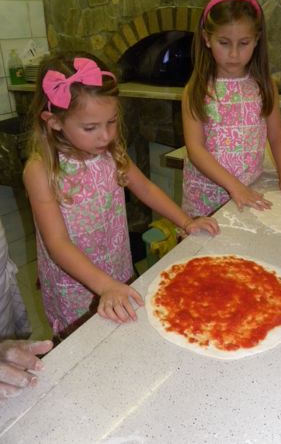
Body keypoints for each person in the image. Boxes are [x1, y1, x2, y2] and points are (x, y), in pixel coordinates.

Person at [23, 53, 219, 339]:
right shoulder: (41, 170)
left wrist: (186, 221)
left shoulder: (112, 154)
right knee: (82, 341)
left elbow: (146, 189)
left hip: (115, 265)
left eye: (111, 122)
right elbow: (57, 243)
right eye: (90, 128)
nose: (105, 136)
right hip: (75, 284)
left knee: (118, 334)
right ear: (54, 122)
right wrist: (104, 286)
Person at [182, 0, 281, 217]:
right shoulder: (196, 90)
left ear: (256, 40)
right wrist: (235, 187)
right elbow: (196, 150)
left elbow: (277, 136)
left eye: (243, 43)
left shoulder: (264, 86)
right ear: (207, 38)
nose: (234, 54)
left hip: (250, 189)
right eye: (224, 43)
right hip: (205, 198)